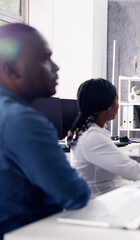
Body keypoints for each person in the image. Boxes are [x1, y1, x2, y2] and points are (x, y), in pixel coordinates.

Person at [0, 23, 90, 238]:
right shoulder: (22, 120)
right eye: (44, 58)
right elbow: (75, 194)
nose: (56, 67)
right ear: (11, 69)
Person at [67, 79, 140, 198]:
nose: (118, 105)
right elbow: (133, 172)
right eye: (116, 100)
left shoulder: (87, 132)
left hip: (115, 193)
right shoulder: (92, 137)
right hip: (105, 201)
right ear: (107, 106)